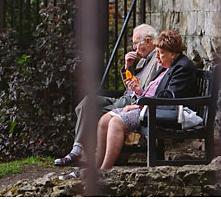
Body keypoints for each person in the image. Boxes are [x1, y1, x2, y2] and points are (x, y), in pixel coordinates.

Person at [54, 24, 160, 167]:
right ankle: (77, 149)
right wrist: (128, 68)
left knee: (91, 111)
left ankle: (83, 155)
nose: (134, 48)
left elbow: (145, 89)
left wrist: (134, 87)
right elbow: (131, 83)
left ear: (147, 41)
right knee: (86, 103)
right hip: (125, 97)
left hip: (133, 102)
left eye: (135, 43)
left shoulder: (156, 59)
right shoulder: (143, 58)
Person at [95, 29, 198, 171]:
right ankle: (96, 165)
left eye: (160, 53)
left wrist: (139, 104)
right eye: (156, 53)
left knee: (116, 122)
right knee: (104, 120)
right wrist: (139, 92)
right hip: (148, 107)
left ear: (173, 54)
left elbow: (168, 98)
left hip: (159, 111)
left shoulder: (182, 68)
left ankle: (104, 169)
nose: (157, 57)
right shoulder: (165, 67)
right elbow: (153, 93)